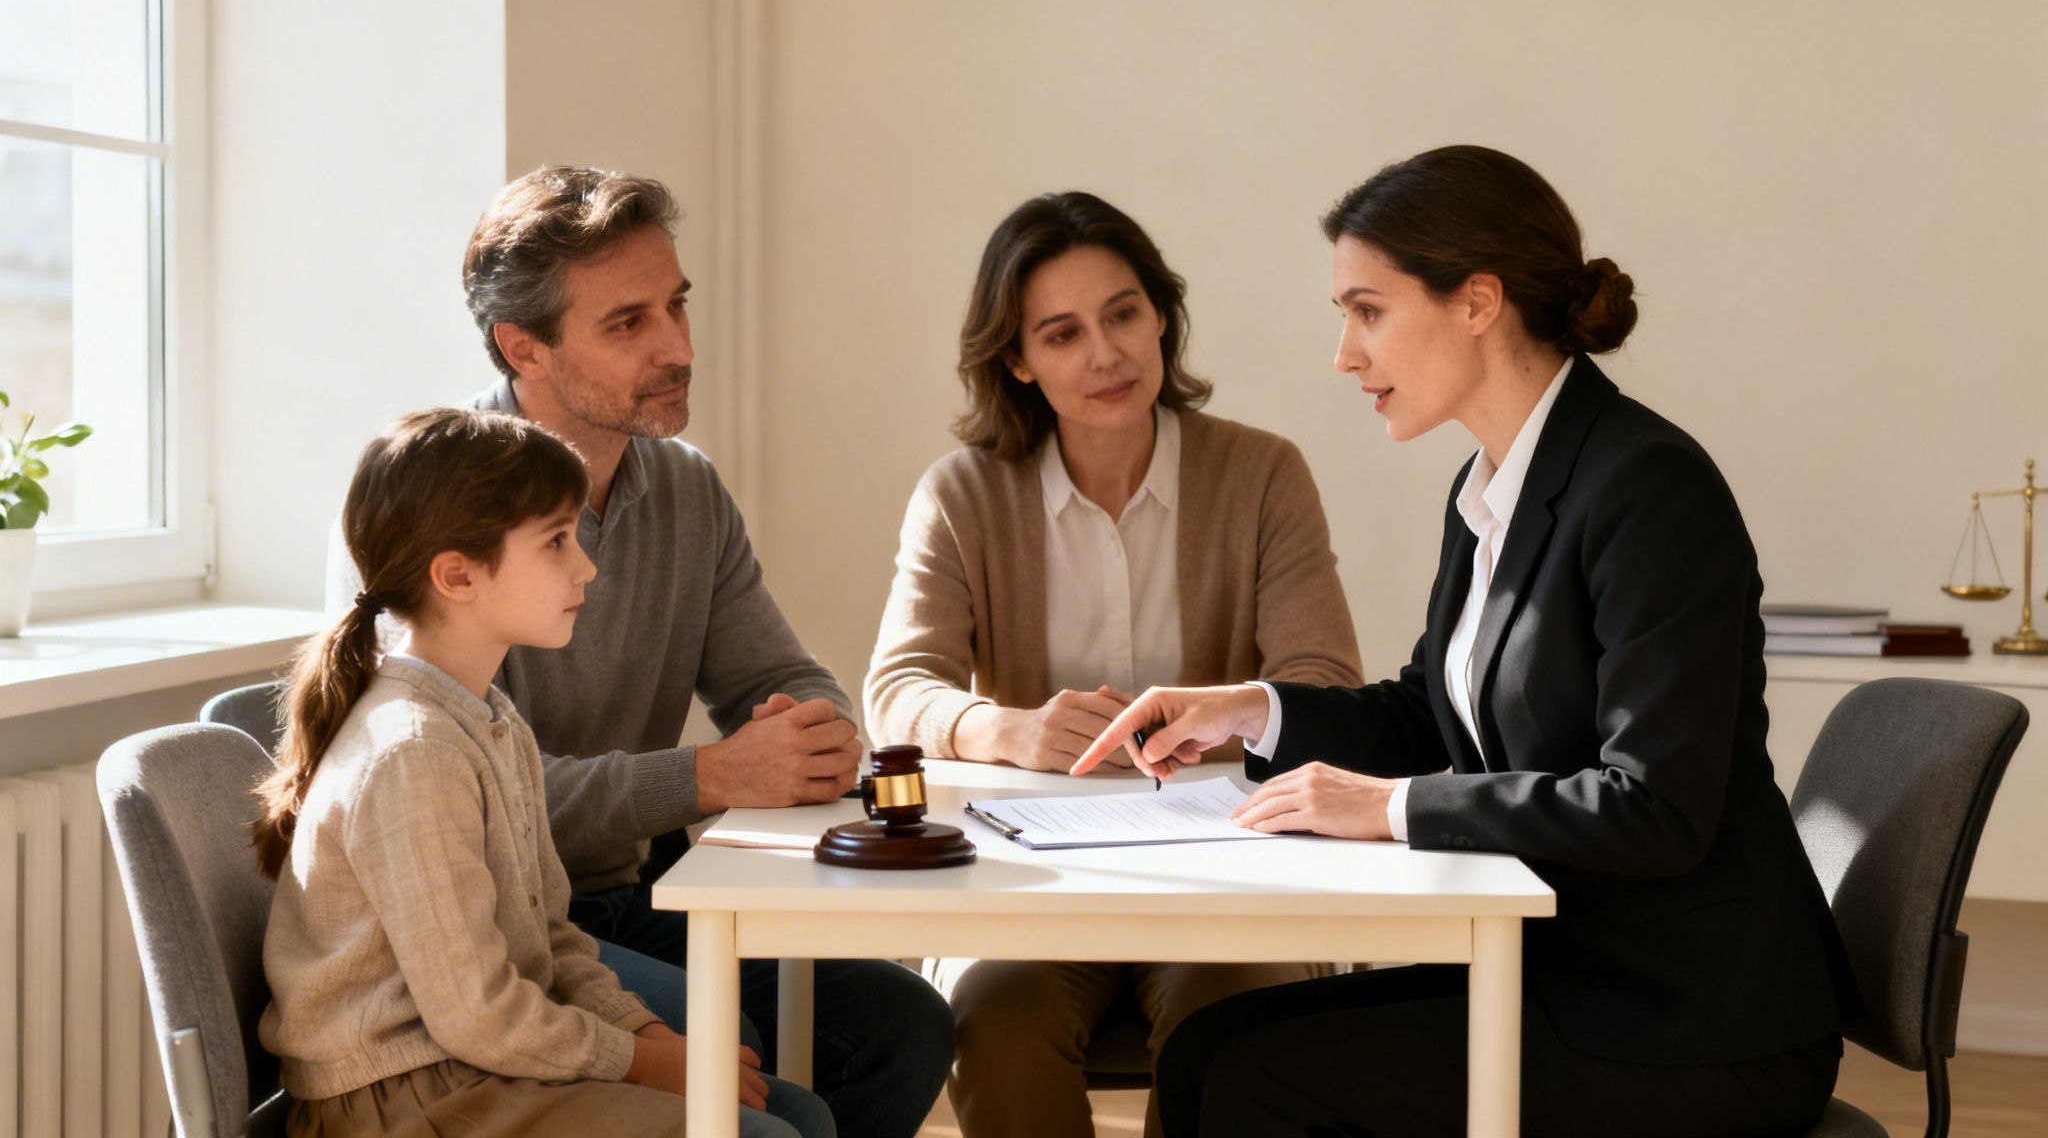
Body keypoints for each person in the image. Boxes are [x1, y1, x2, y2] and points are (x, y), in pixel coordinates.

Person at [1071, 146, 1861, 1138]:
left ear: (1476, 301)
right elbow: (1428, 711)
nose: (1344, 354)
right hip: (1563, 976)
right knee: (1200, 1053)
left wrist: (1389, 808)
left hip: (1687, 1025)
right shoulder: (1488, 486)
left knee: (1251, 1082)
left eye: (1367, 311)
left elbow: (1654, 809)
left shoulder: (1647, 488)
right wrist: (1249, 708)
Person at [329, 167, 950, 1138]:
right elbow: (488, 805)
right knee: (737, 1038)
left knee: (899, 1026)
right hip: (497, 938)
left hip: (622, 902)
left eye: (676, 305)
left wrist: (806, 731)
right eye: (627, 324)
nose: (677, 348)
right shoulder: (439, 518)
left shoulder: (686, 491)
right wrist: (707, 776)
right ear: (520, 346)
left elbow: (775, 677)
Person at [863, 191, 1363, 1138]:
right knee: (993, 1033)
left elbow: (1327, 685)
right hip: (1029, 886)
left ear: (1162, 317)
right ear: (1016, 359)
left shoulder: (1263, 475)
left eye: (1124, 313)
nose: (1105, 354)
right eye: (1061, 333)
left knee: (1235, 1037)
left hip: (1225, 874)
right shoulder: (963, 493)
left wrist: (1228, 712)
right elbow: (895, 693)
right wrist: (1004, 729)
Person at [258, 408, 834, 1137]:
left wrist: (645, 1037)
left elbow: (549, 938)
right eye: (557, 542)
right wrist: (633, 1062)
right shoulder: (413, 754)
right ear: (457, 575)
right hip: (403, 1097)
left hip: (469, 1061)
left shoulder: (489, 719)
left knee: (798, 1114)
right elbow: (476, 1012)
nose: (585, 566)